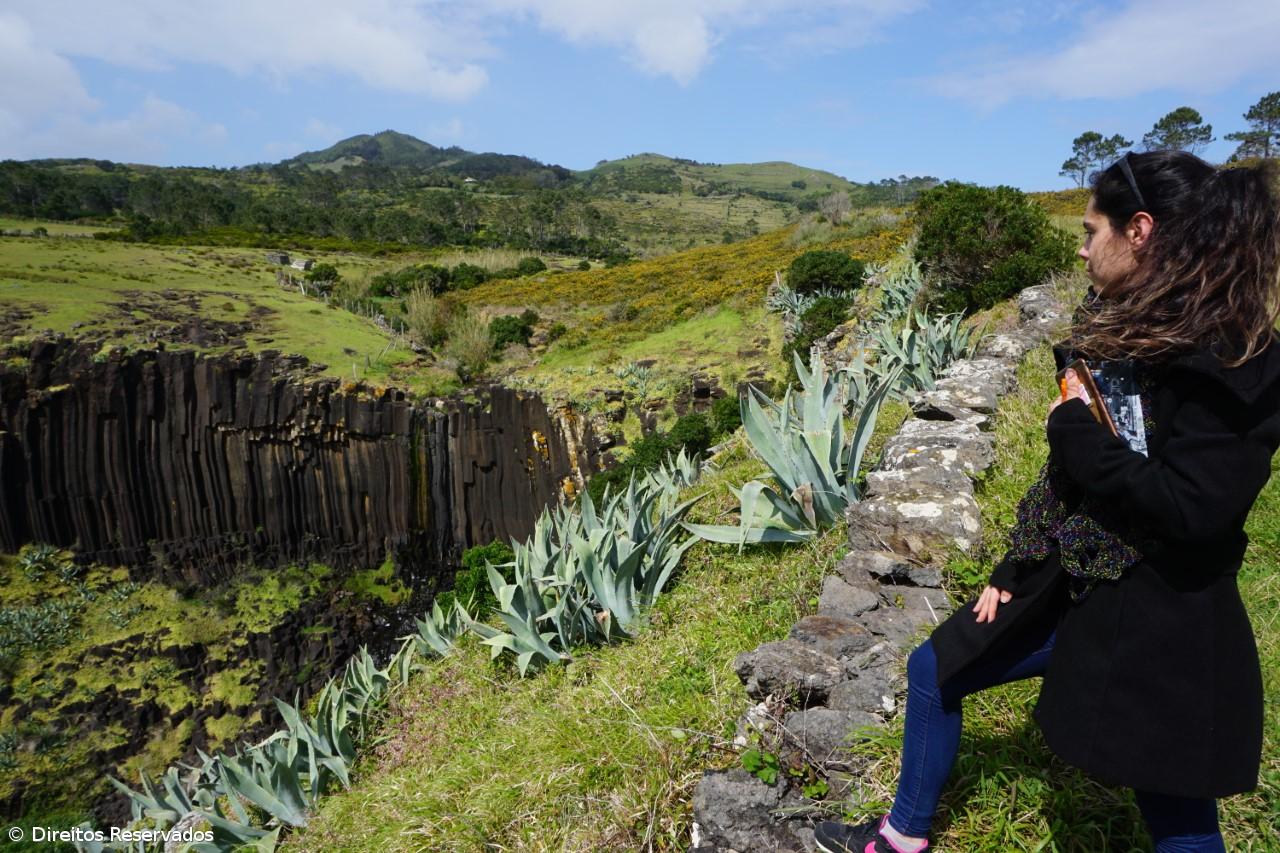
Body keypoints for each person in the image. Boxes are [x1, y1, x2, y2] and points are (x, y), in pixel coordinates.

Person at [815, 150, 1280, 853]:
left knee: (1175, 802)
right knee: (934, 667)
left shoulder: (1233, 360)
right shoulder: (1126, 326)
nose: (1082, 246)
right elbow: (1073, 475)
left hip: (1163, 612)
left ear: (1140, 231)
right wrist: (1015, 564)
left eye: (1092, 231)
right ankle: (901, 836)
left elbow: (1193, 509)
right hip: (1077, 575)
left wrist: (1072, 433)